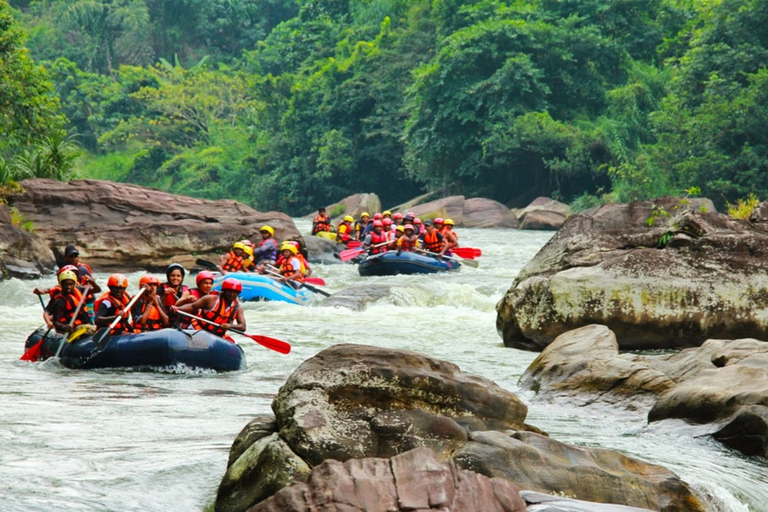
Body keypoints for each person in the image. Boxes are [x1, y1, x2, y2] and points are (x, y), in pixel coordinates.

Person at [172, 277, 246, 339]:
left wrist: (230, 326)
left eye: (235, 292)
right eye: (229, 291)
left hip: (216, 337)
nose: (232, 294)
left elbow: (242, 326)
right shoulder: (211, 299)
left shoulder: (237, 308)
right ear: (224, 291)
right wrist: (178, 309)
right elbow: (192, 306)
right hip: (197, 330)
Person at [47, 270, 93, 334]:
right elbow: (55, 321)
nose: (68, 287)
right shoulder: (60, 301)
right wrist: (64, 327)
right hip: (71, 329)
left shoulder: (79, 290)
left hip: (84, 324)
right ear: (61, 285)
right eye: (65, 285)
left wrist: (92, 282)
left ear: (74, 284)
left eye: (71, 284)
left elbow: (97, 290)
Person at [63, 244, 100, 320]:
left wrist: (91, 283)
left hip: (87, 302)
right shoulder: (65, 271)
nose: (73, 259)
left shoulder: (82, 270)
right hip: (74, 302)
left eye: (75, 256)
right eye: (71, 257)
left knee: (90, 321)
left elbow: (93, 288)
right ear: (66, 258)